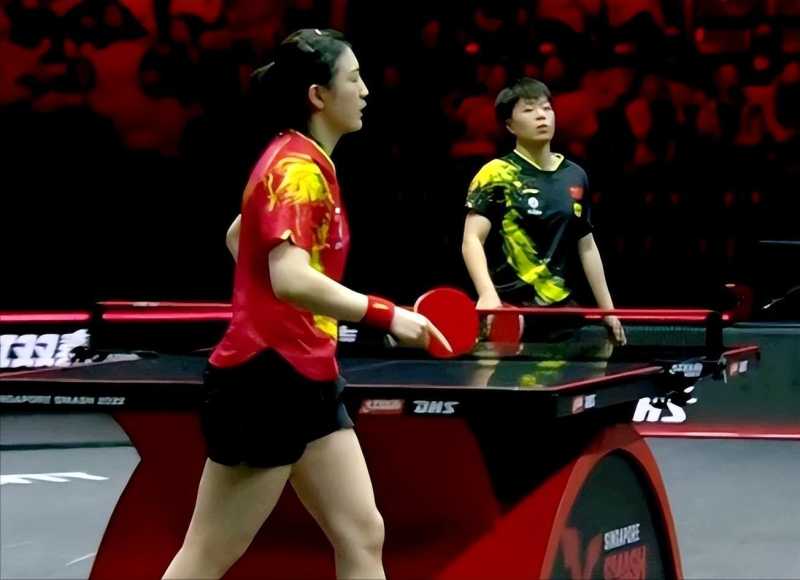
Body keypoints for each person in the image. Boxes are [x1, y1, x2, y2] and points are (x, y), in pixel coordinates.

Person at [163, 29, 447, 580]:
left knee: (362, 533)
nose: (365, 90)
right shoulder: (296, 170)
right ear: (318, 95)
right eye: (354, 78)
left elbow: (238, 237)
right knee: (208, 554)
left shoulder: (306, 161)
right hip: (265, 379)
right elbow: (291, 277)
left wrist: (276, 307)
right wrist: (388, 315)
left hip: (308, 373)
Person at [461, 77, 626, 345]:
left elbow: (586, 246)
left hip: (563, 315)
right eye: (528, 110)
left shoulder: (575, 175)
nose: (541, 115)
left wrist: (608, 311)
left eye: (547, 108)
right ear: (509, 125)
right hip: (510, 315)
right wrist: (487, 294)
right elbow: (472, 240)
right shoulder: (495, 174)